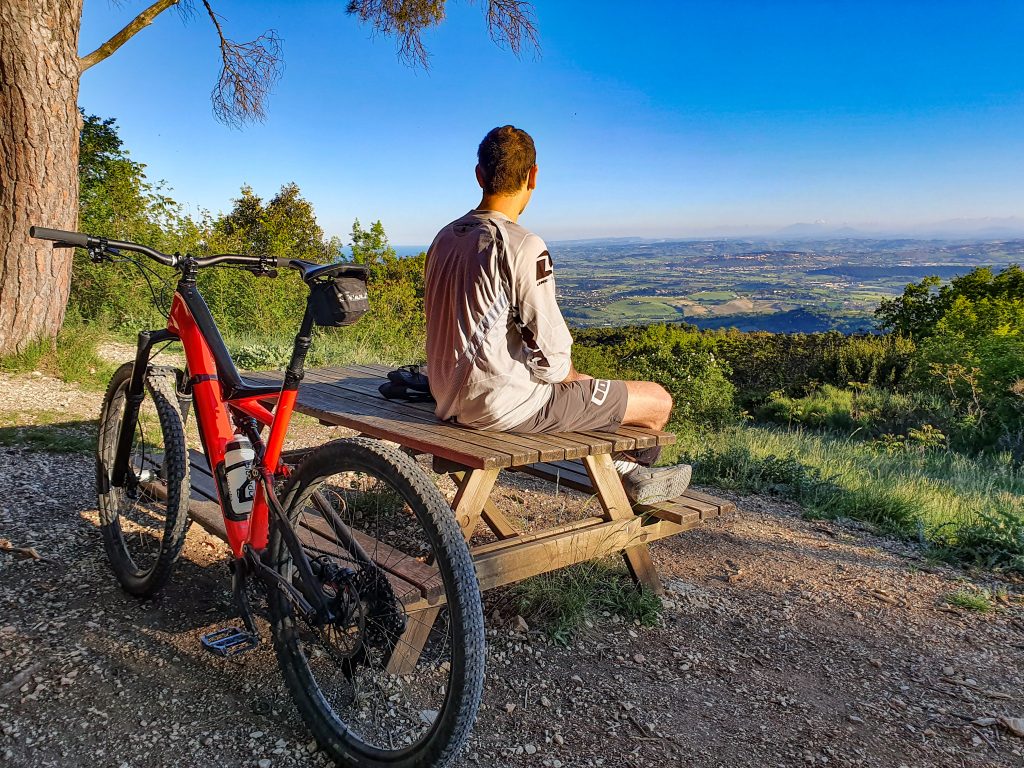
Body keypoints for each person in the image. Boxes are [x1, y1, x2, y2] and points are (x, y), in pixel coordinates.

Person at [424, 125, 692, 505]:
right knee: (657, 401)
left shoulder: (445, 237)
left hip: (446, 395)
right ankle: (628, 477)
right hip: (503, 406)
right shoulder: (521, 244)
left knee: (604, 394)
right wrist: (576, 379)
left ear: (479, 175)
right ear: (533, 176)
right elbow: (551, 358)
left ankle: (628, 472)